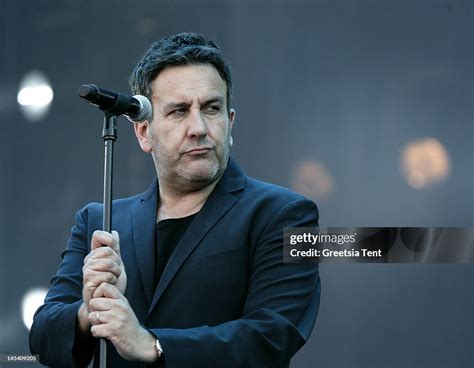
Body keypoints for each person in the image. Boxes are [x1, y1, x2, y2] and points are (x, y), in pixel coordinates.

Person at [29, 32, 321, 368]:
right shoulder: (100, 220)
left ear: (230, 122)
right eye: (179, 111)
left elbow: (271, 338)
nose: (198, 127)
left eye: (211, 108)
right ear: (143, 133)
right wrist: (88, 311)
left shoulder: (286, 214)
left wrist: (152, 344)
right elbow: (41, 340)